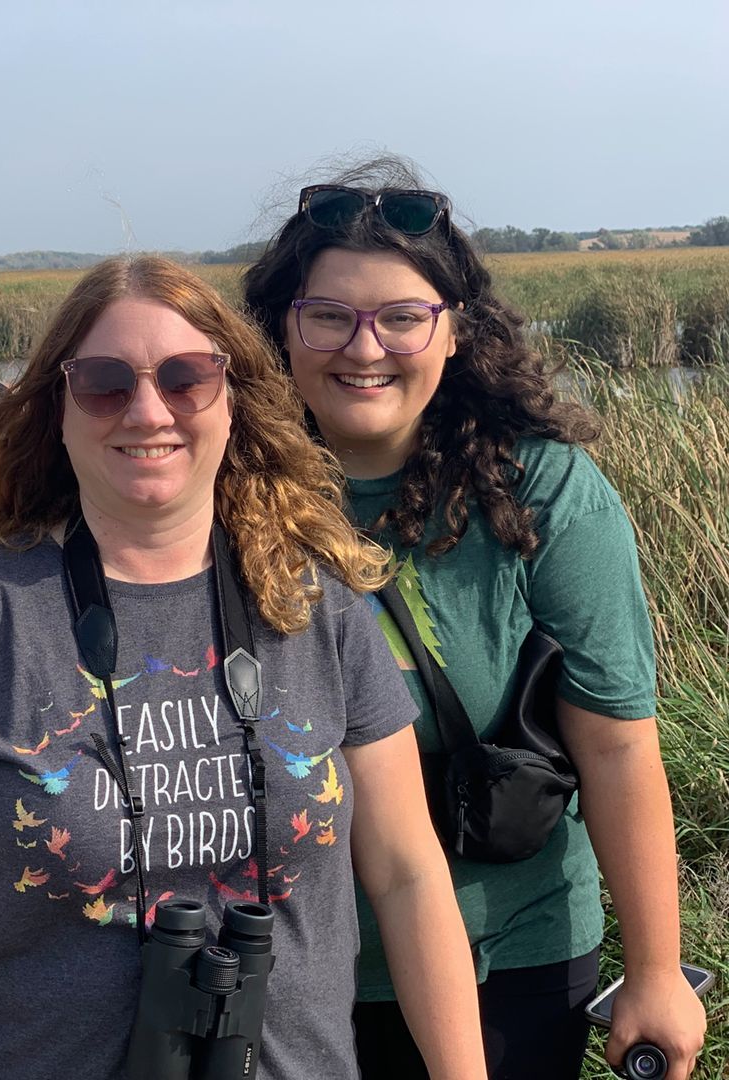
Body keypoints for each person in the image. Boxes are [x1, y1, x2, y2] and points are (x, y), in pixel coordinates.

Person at [0, 255, 486, 1080]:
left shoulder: (316, 606)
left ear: (235, 401)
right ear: (57, 413)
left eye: (188, 377)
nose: (148, 411)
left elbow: (407, 875)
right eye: (104, 382)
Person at [240, 163, 709, 1080]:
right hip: (287, 966)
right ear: (280, 332)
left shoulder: (541, 491)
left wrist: (655, 970)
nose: (364, 347)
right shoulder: (223, 491)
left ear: (455, 332)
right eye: (328, 315)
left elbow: (617, 747)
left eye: (402, 317)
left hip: (509, 952)